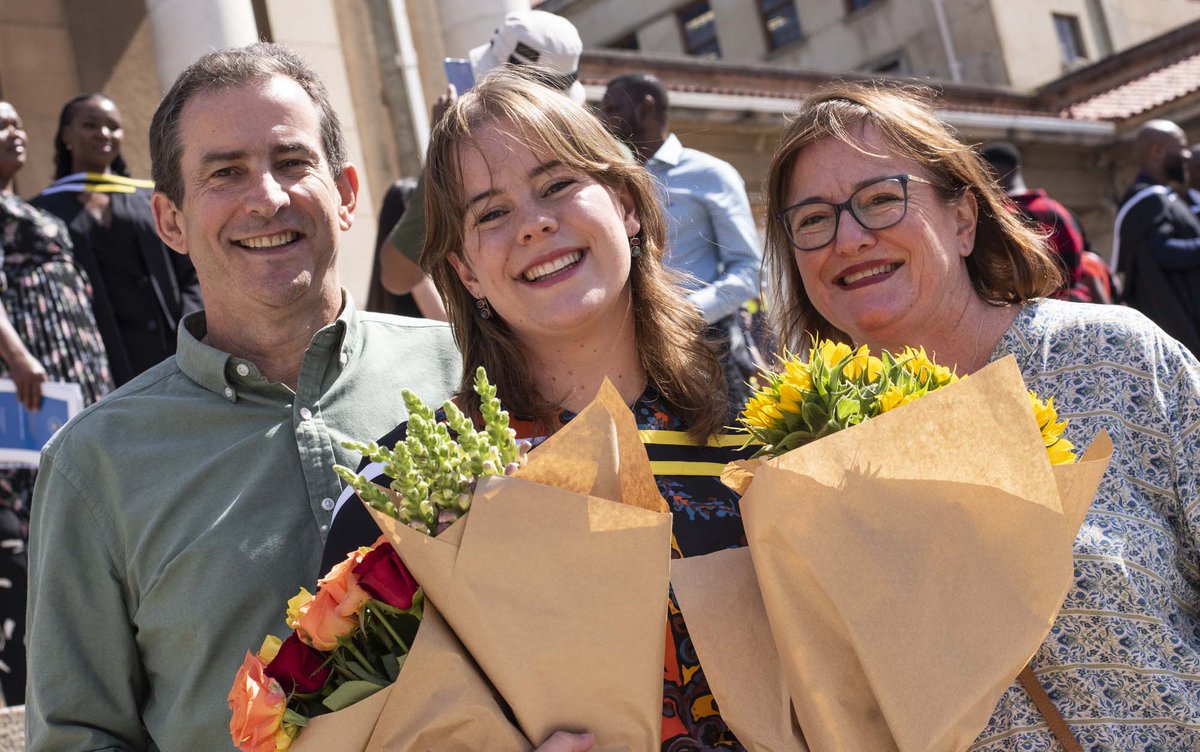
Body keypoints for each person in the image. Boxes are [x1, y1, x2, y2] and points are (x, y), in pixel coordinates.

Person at [24, 43, 462, 751]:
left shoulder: (465, 374)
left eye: (292, 163)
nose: (267, 197)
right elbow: (80, 734)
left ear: (346, 193)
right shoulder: (94, 464)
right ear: (170, 221)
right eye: (226, 172)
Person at [324, 68, 755, 749]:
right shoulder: (409, 501)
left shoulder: (762, 452)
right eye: (491, 213)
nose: (535, 224)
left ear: (627, 206)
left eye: (557, 185)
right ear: (466, 272)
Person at [763, 81, 1200, 751]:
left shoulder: (1116, 358)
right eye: (814, 219)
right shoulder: (803, 466)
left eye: (881, 200)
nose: (848, 238)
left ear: (963, 219)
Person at [0, 99, 113, 706]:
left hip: (73, 372)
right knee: (42, 518)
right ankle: (33, 678)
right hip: (33, 384)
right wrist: (18, 356)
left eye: (18, 122)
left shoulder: (22, 204)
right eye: (0, 127)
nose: (13, 133)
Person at [378, 8, 586, 319]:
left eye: (557, 186)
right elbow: (397, 275)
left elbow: (397, 275)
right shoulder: (601, 155)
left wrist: (441, 158)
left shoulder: (595, 161)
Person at [600, 72, 763, 416]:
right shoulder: (609, 183)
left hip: (704, 347)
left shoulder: (709, 174)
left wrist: (686, 313)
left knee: (727, 458)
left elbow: (749, 271)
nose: (603, 118)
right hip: (627, 353)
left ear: (645, 108)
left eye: (612, 107)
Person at [31, 93, 203, 386]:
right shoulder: (42, 211)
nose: (103, 133)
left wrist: (191, 329)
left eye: (113, 126)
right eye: (90, 125)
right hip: (99, 356)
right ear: (66, 135)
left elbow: (193, 268)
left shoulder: (152, 199)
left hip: (172, 349)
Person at [1110, 119, 1200, 355]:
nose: (1187, 156)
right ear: (1157, 151)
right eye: (1181, 147)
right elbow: (1162, 251)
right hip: (1178, 327)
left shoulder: (1165, 197)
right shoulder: (1146, 201)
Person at [979, 140, 1106, 302]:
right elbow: (1078, 273)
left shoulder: (998, 217)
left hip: (1023, 314)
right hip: (1072, 308)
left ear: (991, 173)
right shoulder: (1061, 211)